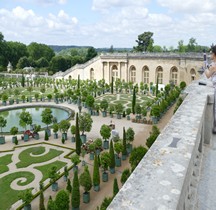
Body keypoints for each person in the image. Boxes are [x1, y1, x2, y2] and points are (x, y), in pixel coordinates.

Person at [204, 45, 216, 133]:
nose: (210, 54)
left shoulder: (214, 66)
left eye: (212, 52)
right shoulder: (213, 65)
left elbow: (208, 75)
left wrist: (204, 67)